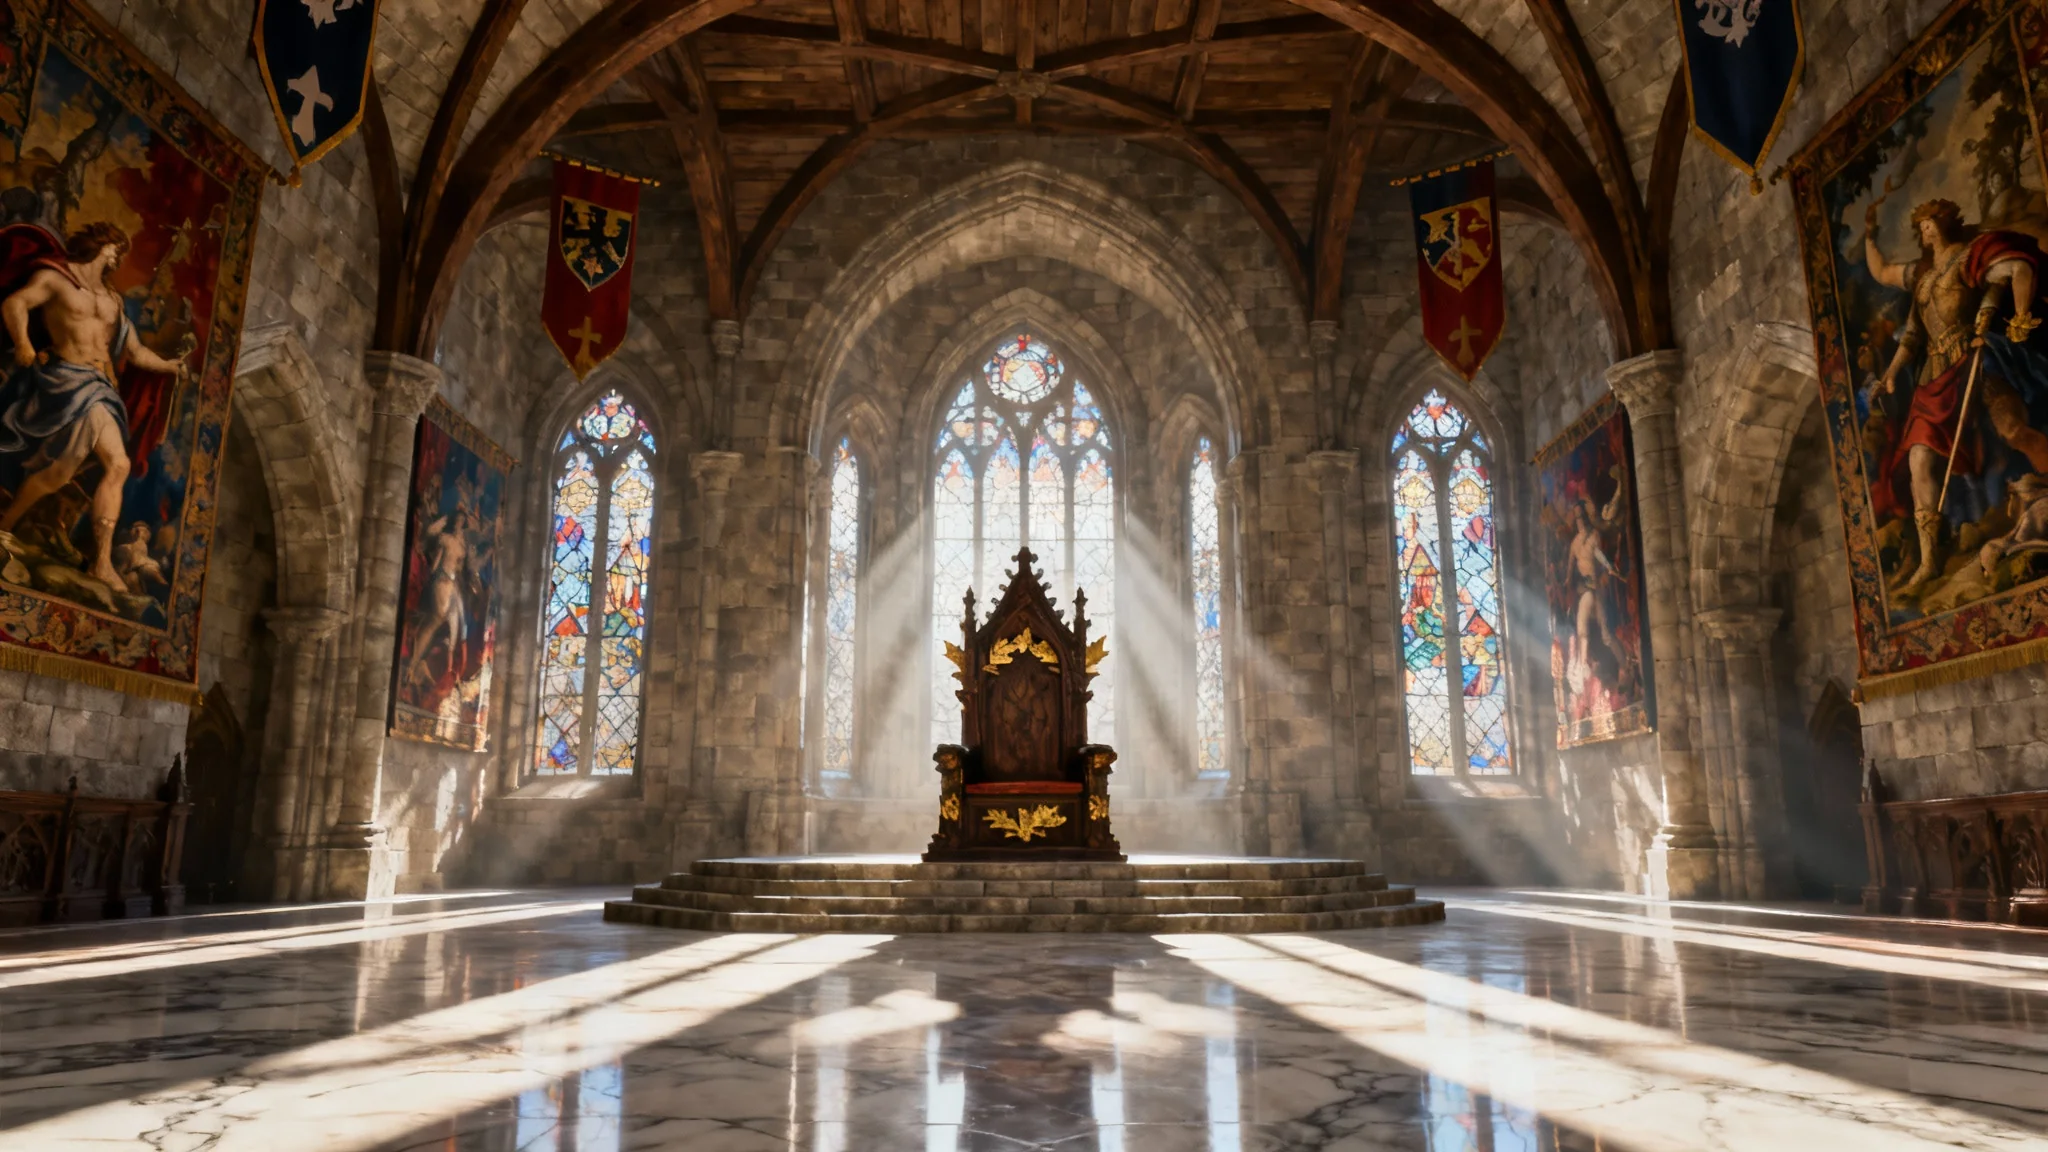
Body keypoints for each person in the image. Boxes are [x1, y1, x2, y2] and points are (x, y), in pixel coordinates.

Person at [1865, 198, 2048, 594]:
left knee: (2013, 429)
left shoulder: (1970, 258)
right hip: (1934, 375)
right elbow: (1909, 327)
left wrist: (2014, 319)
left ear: (1946, 222)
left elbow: (2015, 269)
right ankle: (1930, 561)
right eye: (1922, 225)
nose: (1925, 229)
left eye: (1930, 221)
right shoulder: (1922, 277)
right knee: (1919, 458)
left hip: (1974, 360)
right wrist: (1890, 376)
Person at [0, 222, 185, 592]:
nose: (117, 256)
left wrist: (169, 366)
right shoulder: (55, 279)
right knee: (67, 471)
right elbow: (15, 302)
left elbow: (134, 352)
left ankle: (100, 561)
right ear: (101, 245)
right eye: (116, 248)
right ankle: (7, 526)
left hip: (102, 388)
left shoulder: (113, 301)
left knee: (87, 468)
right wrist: (22, 342)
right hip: (67, 379)